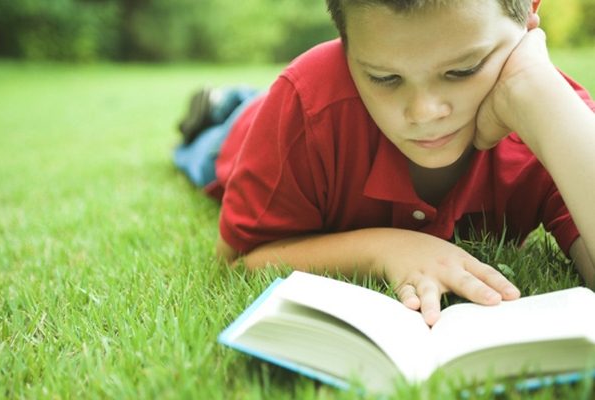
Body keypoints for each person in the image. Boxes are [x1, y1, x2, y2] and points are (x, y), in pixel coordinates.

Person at [174, 0, 595, 326]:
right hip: (243, 136)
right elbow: (238, 261)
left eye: (464, 69)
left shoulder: (554, 116)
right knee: (214, 139)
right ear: (345, 45)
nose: (424, 112)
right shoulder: (305, 106)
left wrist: (536, 94)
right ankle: (221, 104)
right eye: (385, 78)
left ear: (529, 15)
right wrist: (384, 249)